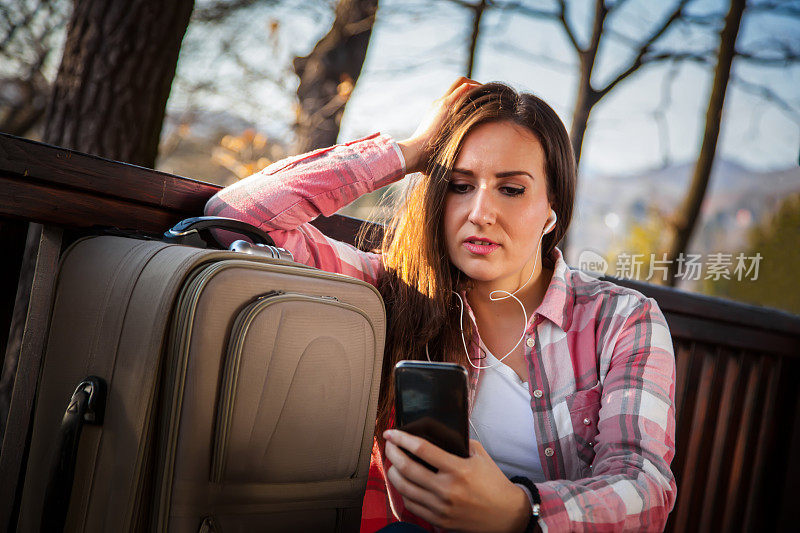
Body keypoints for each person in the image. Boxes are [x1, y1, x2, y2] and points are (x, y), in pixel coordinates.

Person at [205, 78, 677, 532]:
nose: (480, 213)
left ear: (552, 208)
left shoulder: (620, 320)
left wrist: (519, 512)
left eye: (511, 189)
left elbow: (643, 488)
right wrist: (407, 152)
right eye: (459, 184)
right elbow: (235, 217)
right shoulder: (394, 289)